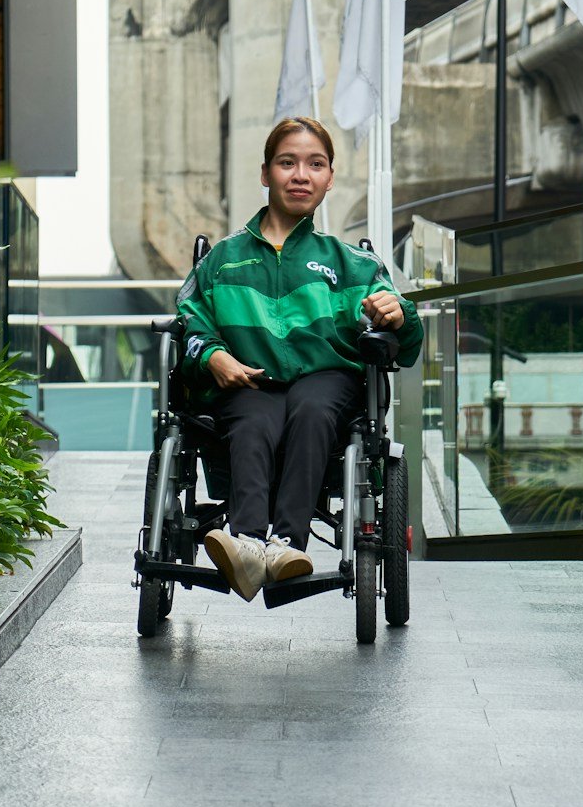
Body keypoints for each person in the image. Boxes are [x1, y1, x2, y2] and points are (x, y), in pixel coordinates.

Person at [173, 116, 420, 601]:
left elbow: (406, 342)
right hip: (247, 379)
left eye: (315, 164)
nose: (300, 174)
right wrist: (213, 357)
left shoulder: (354, 264)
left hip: (326, 379)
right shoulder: (221, 260)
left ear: (330, 178)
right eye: (287, 163)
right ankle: (246, 542)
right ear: (265, 173)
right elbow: (188, 322)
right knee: (252, 419)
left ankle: (287, 544)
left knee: (311, 409)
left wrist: (398, 313)